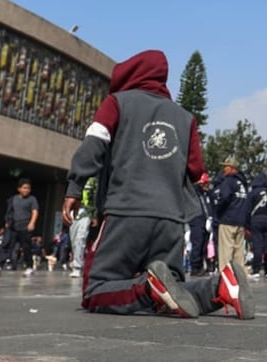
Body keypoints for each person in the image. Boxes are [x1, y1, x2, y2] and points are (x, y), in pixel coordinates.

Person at [61, 49, 253, 319]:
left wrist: (75, 186)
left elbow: (94, 145)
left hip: (126, 212)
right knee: (174, 288)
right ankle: (219, 287)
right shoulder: (186, 118)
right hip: (171, 220)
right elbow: (197, 169)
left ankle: (148, 288)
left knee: (95, 291)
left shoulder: (116, 103)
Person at [0, 178, 40, 277]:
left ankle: (29, 267)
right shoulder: (13, 199)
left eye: (28, 188)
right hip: (13, 226)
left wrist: (32, 223)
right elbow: (9, 211)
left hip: (25, 227)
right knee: (6, 245)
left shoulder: (32, 199)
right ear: (19, 189)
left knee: (26, 248)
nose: (26, 190)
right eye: (24, 188)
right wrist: (7, 222)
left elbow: (35, 211)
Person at [214, 156, 249, 272]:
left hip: (228, 220)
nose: (224, 169)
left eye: (226, 166)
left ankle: (225, 277)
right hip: (241, 221)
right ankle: (239, 276)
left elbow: (224, 197)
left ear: (231, 168)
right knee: (239, 252)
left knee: (226, 251)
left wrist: (217, 211)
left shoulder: (228, 181)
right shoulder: (243, 183)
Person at [245, 170, 267, 279]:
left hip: (256, 220)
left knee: (257, 246)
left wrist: (247, 225)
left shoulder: (252, 193)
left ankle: (256, 270)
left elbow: (247, 210)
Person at [187, 174, 212, 278]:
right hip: (196, 219)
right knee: (198, 243)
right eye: (205, 183)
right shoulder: (194, 192)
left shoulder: (204, 194)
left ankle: (200, 266)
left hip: (204, 220)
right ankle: (195, 267)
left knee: (203, 244)